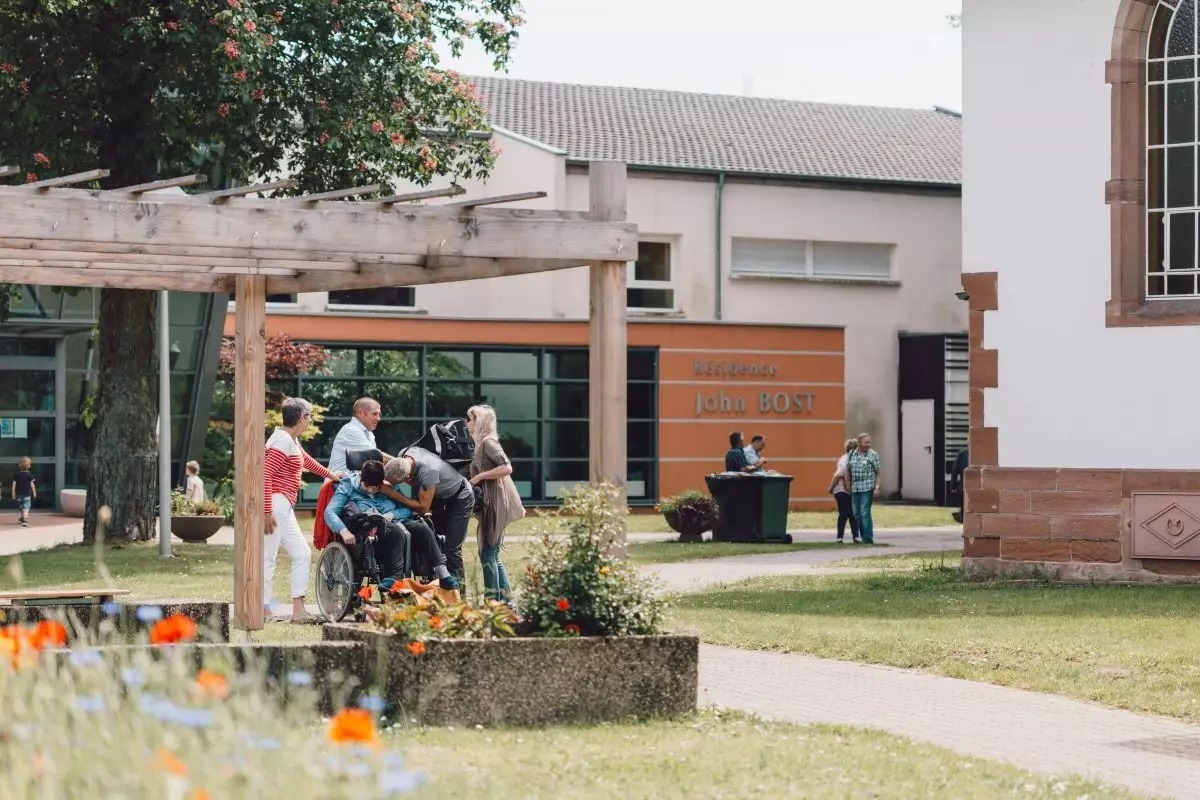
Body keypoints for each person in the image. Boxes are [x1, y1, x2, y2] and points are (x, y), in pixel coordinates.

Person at [264, 397, 343, 623]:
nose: (310, 420)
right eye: (309, 416)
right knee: (267, 559)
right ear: (301, 418)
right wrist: (267, 512)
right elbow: (265, 474)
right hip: (275, 505)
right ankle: (263, 611)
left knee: (302, 553)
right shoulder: (281, 441)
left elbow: (305, 461)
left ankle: (298, 612)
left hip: (283, 507)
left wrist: (331, 475)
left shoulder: (290, 440)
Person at [323, 459, 458, 590]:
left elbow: (406, 509)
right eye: (368, 487)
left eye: (376, 488)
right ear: (361, 480)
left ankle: (443, 573)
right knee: (395, 531)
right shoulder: (349, 485)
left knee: (423, 530)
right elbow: (330, 512)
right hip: (371, 524)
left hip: (396, 519)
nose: (372, 491)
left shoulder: (388, 486)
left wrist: (392, 515)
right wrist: (343, 531)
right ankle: (395, 577)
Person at [384, 447, 474, 580]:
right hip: (439, 500)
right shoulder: (403, 454)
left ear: (408, 478)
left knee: (451, 550)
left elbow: (423, 507)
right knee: (433, 543)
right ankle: (436, 587)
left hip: (460, 499)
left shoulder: (428, 472)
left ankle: (458, 595)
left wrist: (392, 493)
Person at [466, 404, 525, 601]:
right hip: (492, 502)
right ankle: (504, 603)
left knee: (488, 554)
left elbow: (507, 467)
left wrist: (479, 476)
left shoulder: (488, 443)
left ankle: (493, 603)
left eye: (471, 419)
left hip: (496, 503)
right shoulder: (481, 444)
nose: (468, 423)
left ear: (480, 421)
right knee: (493, 554)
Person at [328, 397, 393, 475]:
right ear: (360, 413)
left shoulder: (369, 434)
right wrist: (404, 465)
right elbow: (376, 456)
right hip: (339, 484)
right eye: (374, 414)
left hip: (352, 483)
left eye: (379, 414)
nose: (378, 418)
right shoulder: (351, 430)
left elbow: (374, 464)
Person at [847, 433, 882, 545]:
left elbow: (878, 473)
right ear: (859, 443)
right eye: (866, 442)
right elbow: (848, 471)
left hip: (867, 487)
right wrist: (848, 485)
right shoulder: (852, 454)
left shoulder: (873, 455)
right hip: (855, 488)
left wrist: (876, 487)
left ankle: (868, 538)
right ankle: (863, 537)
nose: (868, 444)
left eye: (869, 442)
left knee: (864, 512)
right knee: (856, 514)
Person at [828, 439, 860, 544]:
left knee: (851, 513)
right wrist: (831, 487)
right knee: (845, 513)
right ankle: (841, 537)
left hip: (848, 491)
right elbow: (838, 475)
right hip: (841, 491)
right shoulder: (845, 460)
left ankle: (854, 536)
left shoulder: (852, 459)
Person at [10, 456, 35, 528]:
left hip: (19, 494)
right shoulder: (29, 474)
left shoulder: (16, 474)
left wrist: (13, 492)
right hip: (27, 494)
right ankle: (25, 520)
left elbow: (14, 484)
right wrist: (34, 492)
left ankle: (22, 517)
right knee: (26, 507)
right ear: (29, 466)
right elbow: (32, 484)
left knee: (21, 507)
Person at [950, 447, 969, 524]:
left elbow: (954, 472)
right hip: (976, 486)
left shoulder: (962, 454)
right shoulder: (980, 453)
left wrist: (953, 486)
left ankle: (965, 524)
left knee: (964, 507)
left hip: (963, 487)